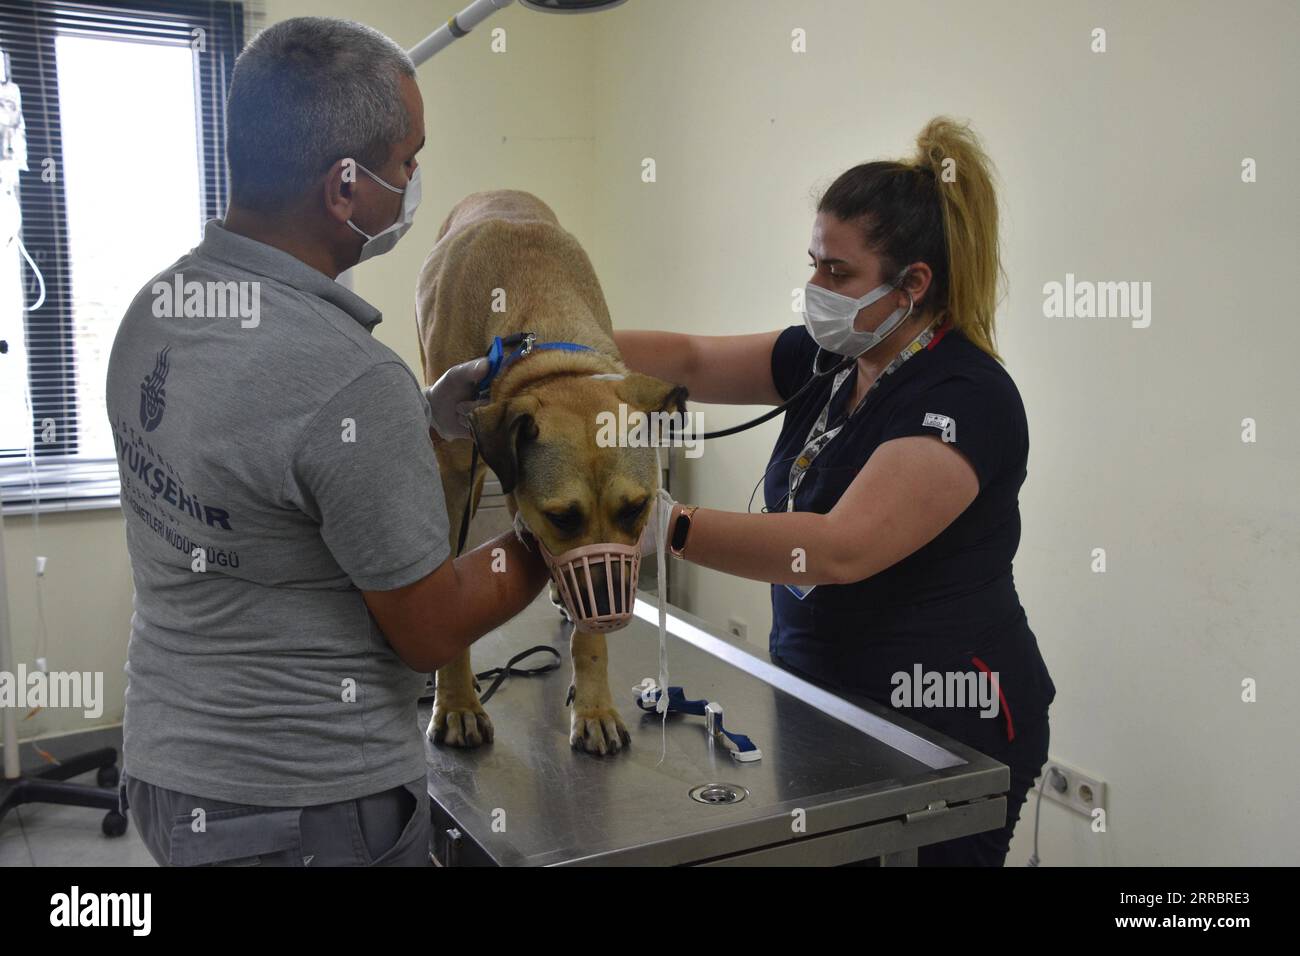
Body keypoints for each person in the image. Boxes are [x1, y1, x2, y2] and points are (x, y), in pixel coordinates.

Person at [105, 17, 547, 867]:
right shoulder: (347, 378)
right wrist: (556, 532)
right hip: (304, 808)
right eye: (409, 161)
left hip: (169, 770)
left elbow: (254, 455)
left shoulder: (155, 311)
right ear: (345, 187)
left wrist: (416, 412)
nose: (416, 181)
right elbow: (430, 630)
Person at [625, 117, 1056, 866]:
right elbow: (690, 359)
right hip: (824, 702)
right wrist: (559, 343)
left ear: (913, 284)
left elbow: (839, 549)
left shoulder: (966, 396)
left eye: (838, 273)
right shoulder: (829, 359)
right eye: (814, 264)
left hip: (944, 721)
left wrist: (664, 525)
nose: (815, 289)